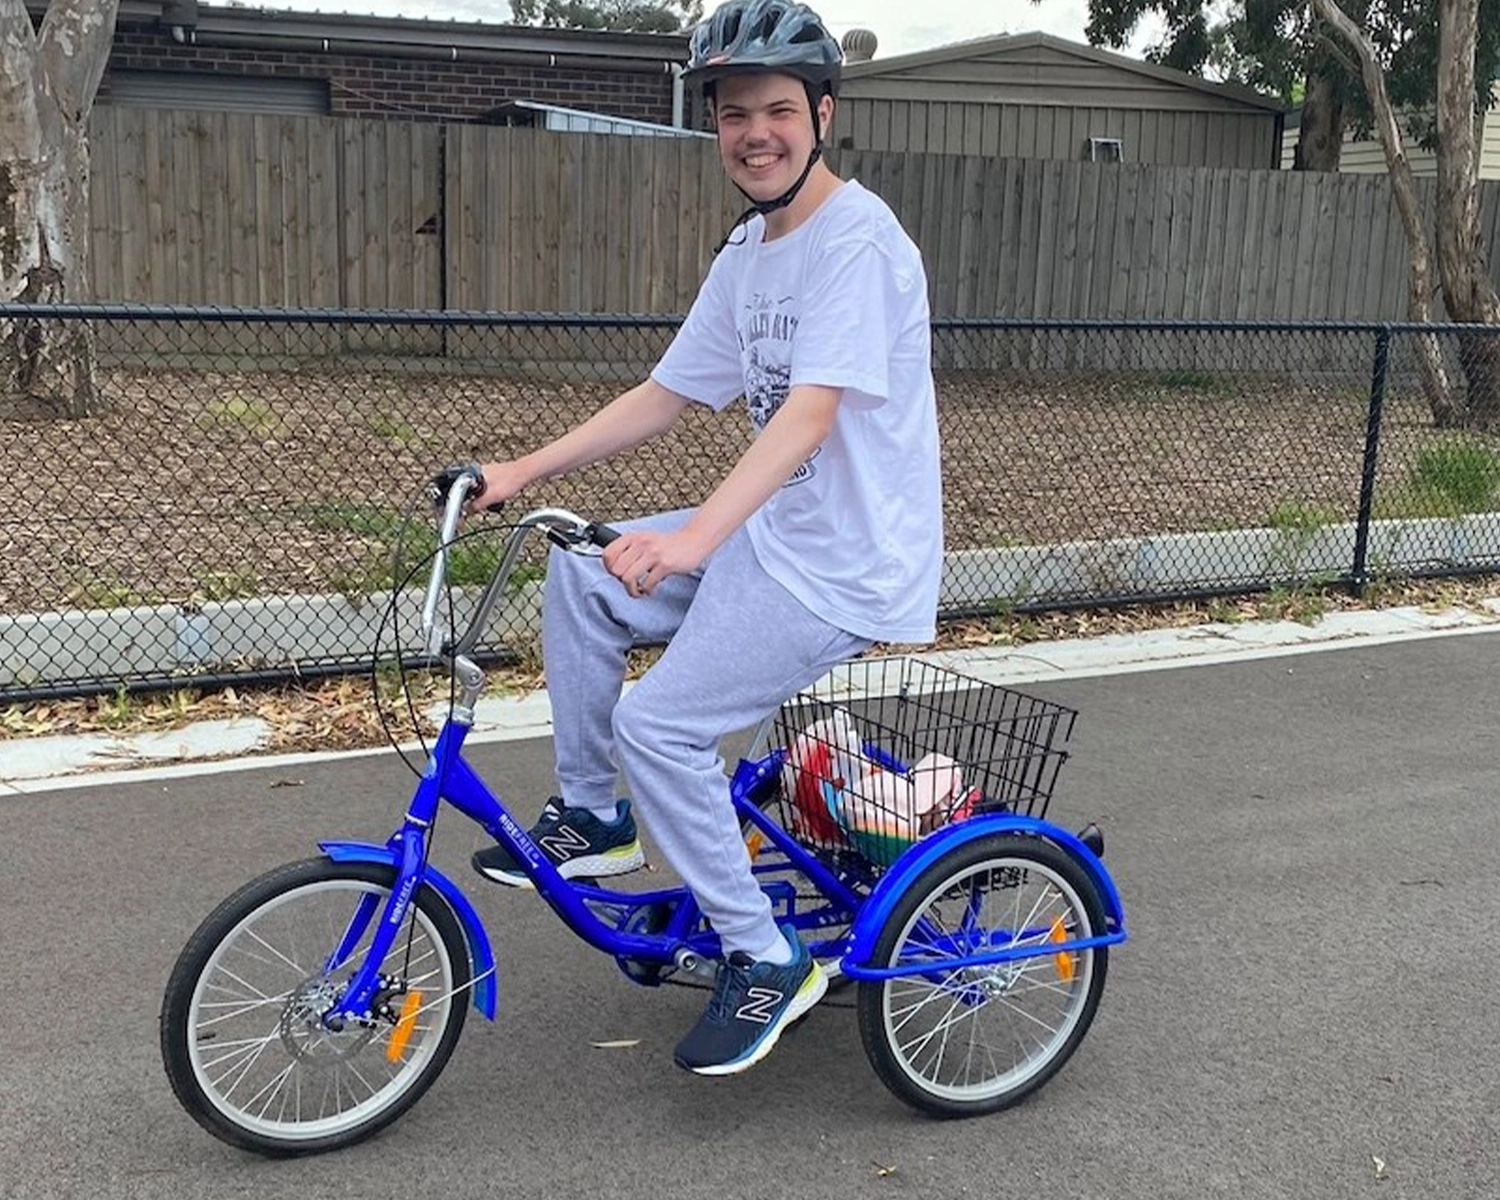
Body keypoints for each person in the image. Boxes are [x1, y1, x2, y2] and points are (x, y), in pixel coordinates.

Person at [469, 0, 944, 1077]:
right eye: (735, 114)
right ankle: (595, 819)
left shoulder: (858, 244)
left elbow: (810, 414)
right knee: (586, 570)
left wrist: (690, 543)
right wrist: (524, 470)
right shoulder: (749, 252)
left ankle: (764, 953)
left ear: (822, 113)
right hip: (777, 539)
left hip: (844, 564)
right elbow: (667, 393)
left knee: (664, 728)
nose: (756, 132)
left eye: (779, 109)